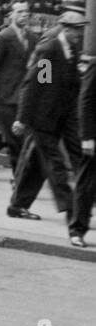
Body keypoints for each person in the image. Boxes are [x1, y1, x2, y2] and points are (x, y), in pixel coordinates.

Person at [11, 8, 88, 226]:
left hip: (62, 117)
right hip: (42, 118)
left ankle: (17, 205)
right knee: (55, 164)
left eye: (80, 30)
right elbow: (34, 85)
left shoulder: (70, 50)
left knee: (37, 165)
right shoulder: (50, 50)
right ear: (65, 28)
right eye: (76, 30)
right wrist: (22, 118)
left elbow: (72, 86)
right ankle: (72, 208)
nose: (79, 34)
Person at [0, 0, 38, 181]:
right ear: (11, 15)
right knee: (16, 142)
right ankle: (19, 182)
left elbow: (40, 67)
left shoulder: (33, 38)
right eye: (19, 12)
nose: (24, 15)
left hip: (23, 99)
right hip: (4, 99)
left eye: (26, 12)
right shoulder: (3, 37)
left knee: (1, 136)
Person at [70, 55, 96, 248]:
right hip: (93, 136)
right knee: (86, 183)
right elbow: (85, 100)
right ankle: (77, 230)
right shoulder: (48, 52)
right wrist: (87, 137)